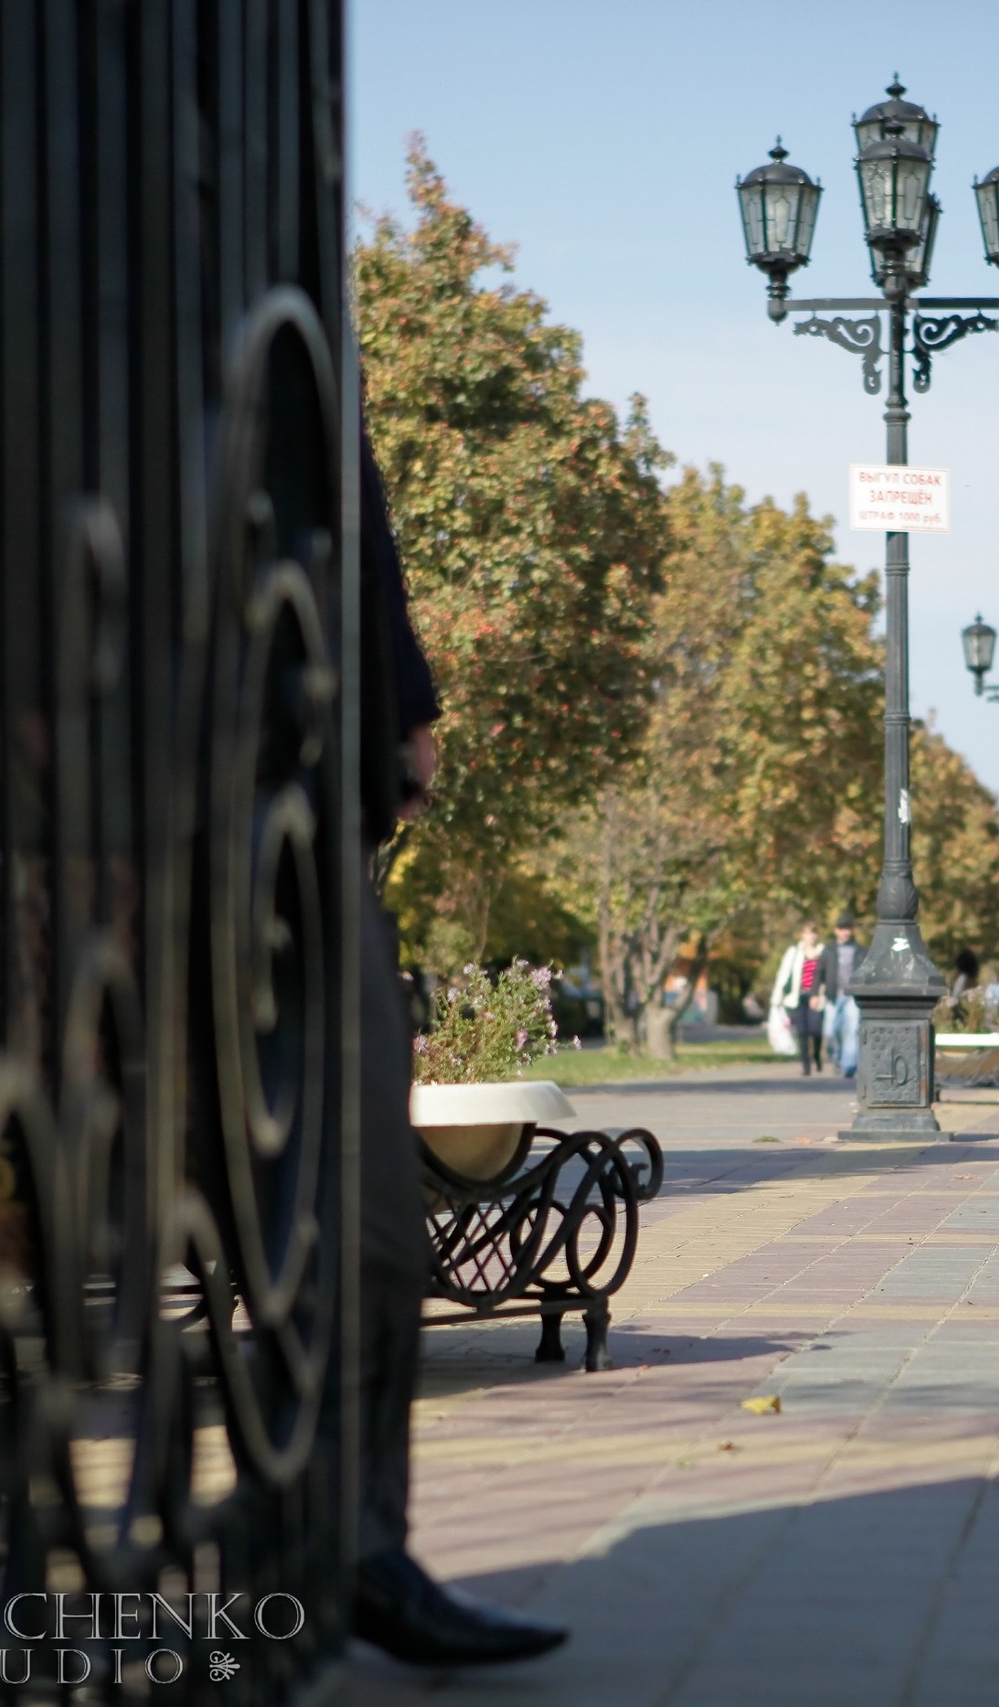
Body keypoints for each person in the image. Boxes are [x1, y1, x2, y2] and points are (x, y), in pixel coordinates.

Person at [352, 446, 568, 1666]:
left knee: (370, 1225)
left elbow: (342, 480)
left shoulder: (271, 276)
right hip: (37, 787)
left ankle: (350, 1546)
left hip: (286, 803)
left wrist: (404, 702)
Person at [771, 924, 829, 1075]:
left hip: (816, 996)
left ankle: (816, 1054)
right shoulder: (794, 952)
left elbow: (826, 975)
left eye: (813, 933)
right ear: (802, 935)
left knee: (816, 1030)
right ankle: (806, 1065)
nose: (810, 937)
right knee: (802, 1032)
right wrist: (777, 996)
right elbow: (784, 973)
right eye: (807, 933)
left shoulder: (822, 952)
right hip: (796, 997)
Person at [828, 914, 866, 1077]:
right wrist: (815, 993)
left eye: (848, 929)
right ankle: (837, 1058)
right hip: (833, 995)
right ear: (836, 931)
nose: (846, 933)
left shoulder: (860, 950)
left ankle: (849, 1065)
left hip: (852, 995)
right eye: (842, 929)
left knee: (852, 1030)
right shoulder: (829, 950)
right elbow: (819, 972)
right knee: (830, 1031)